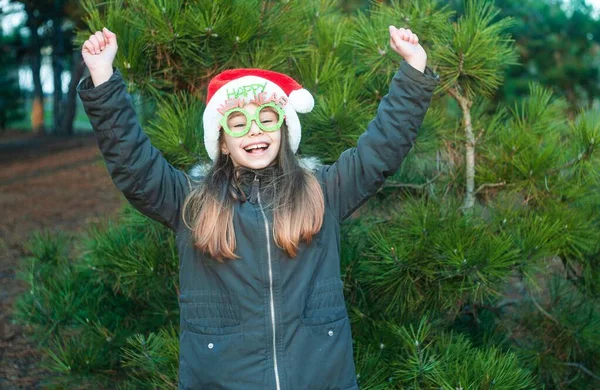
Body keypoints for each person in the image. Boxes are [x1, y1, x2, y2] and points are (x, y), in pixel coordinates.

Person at [78, 25, 439, 390]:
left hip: (319, 378)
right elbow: (132, 161)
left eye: (267, 118)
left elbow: (381, 149)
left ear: (284, 129)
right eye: (238, 123)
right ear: (221, 142)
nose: (255, 131)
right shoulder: (191, 202)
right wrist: (103, 76)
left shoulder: (324, 191)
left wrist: (414, 70)